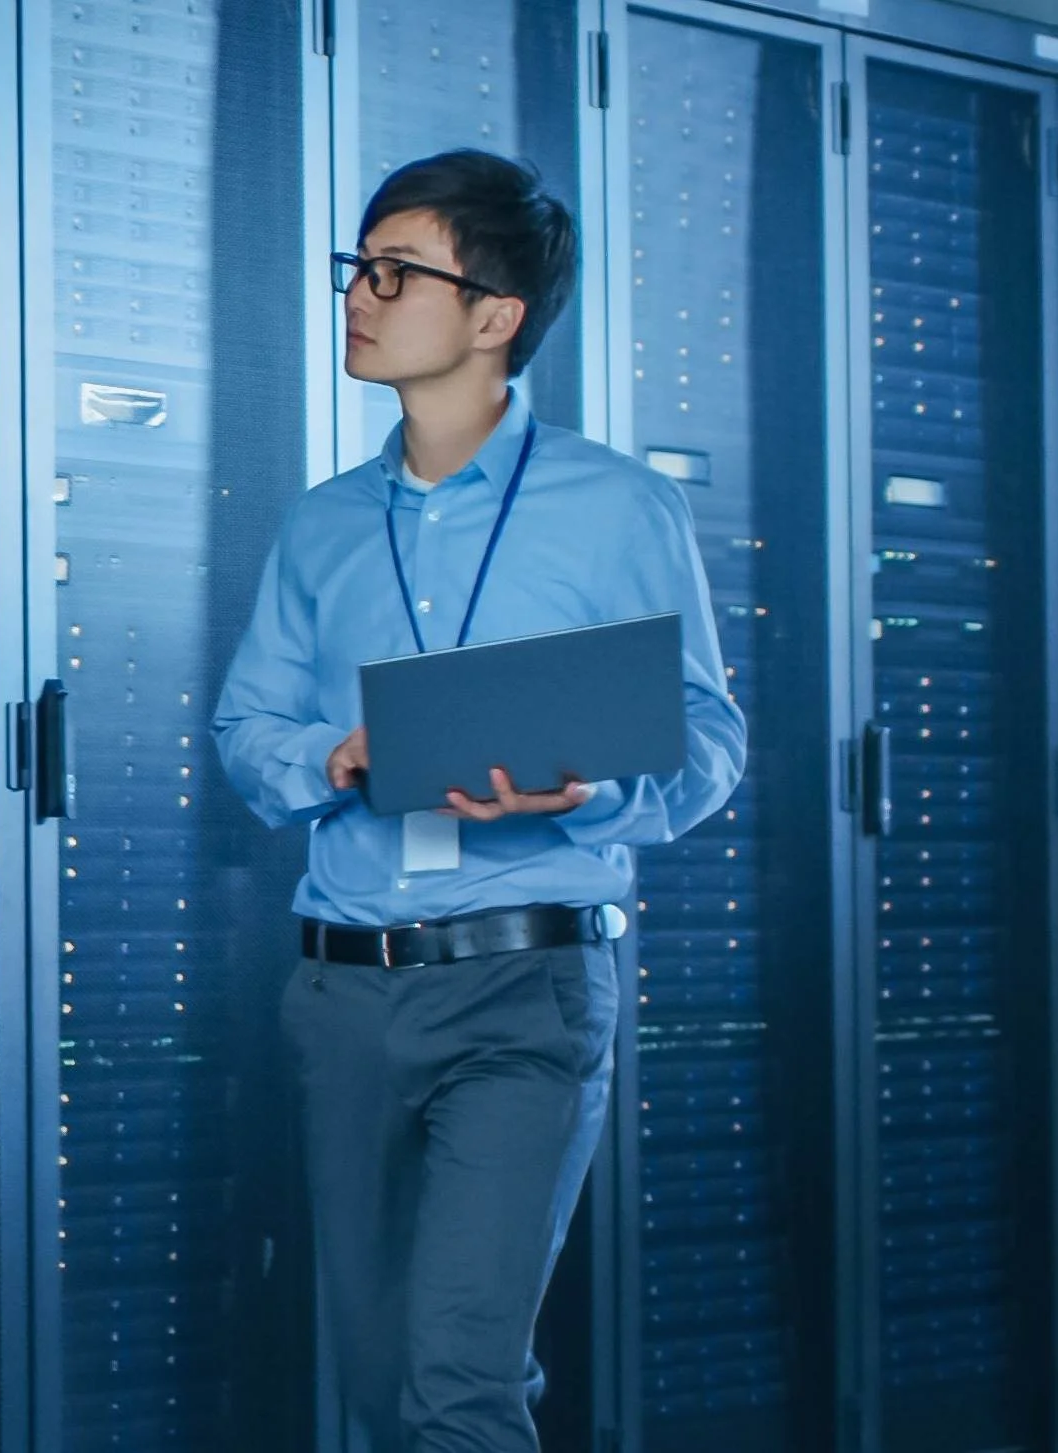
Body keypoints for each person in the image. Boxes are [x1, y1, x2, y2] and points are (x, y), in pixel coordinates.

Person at [211, 149, 748, 1452]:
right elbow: (245, 729)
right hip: (346, 991)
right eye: (359, 269)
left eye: (398, 273)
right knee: (382, 1372)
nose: (360, 295)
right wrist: (329, 760)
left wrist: (590, 790)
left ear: (496, 315)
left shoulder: (621, 507)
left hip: (527, 989)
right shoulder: (323, 526)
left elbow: (710, 745)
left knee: (460, 1371)